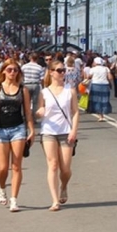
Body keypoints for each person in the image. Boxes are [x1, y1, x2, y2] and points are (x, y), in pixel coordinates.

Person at [0, 58, 34, 212]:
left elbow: (27, 112)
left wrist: (31, 130)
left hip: (18, 129)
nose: (12, 73)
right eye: (9, 70)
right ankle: (2, 188)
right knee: (3, 168)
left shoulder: (23, 90)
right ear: (3, 71)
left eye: (15, 70)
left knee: (16, 166)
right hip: (0, 130)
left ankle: (14, 200)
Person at [36, 59, 79, 210]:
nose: (62, 73)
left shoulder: (70, 90)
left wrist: (74, 130)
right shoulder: (44, 92)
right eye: (59, 70)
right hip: (48, 131)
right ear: (51, 73)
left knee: (65, 169)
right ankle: (54, 200)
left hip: (66, 132)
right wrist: (39, 112)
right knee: (53, 165)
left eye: (63, 70)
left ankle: (64, 186)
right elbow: (39, 110)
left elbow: (75, 112)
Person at [88, 57, 113, 122]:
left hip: (95, 85)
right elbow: (110, 77)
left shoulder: (93, 69)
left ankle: (100, 115)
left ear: (95, 62)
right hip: (105, 85)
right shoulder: (106, 68)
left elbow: (89, 77)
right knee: (104, 100)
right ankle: (102, 114)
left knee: (96, 100)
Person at [21, 52, 44, 121]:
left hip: (26, 84)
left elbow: (21, 76)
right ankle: (33, 118)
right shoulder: (39, 67)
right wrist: (42, 87)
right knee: (35, 102)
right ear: (37, 59)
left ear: (30, 58)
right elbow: (42, 78)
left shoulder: (24, 66)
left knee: (25, 101)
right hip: (35, 84)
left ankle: (26, 117)